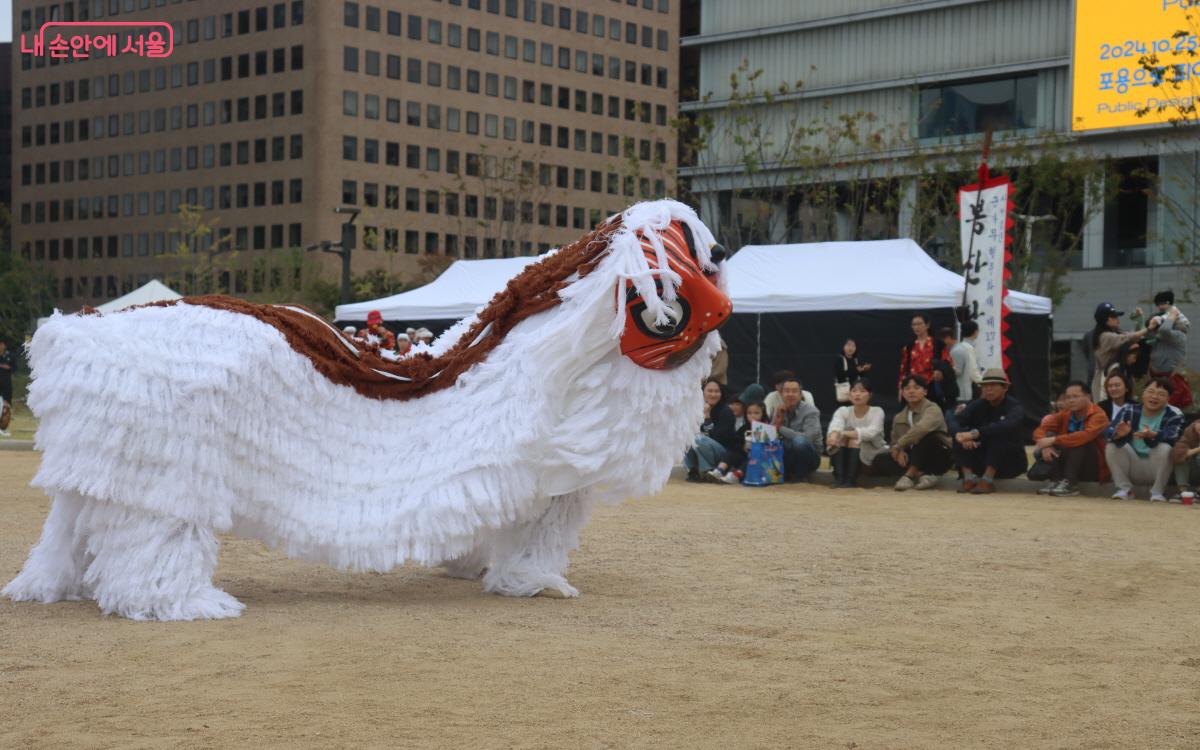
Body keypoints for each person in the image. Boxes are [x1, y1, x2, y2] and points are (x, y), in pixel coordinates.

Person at [1103, 377, 1183, 501]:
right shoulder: (1129, 409)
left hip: (1156, 467)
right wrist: (1119, 434)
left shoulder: (1174, 413)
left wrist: (1154, 435)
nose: (1154, 397)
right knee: (1112, 446)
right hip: (1132, 465)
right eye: (1150, 392)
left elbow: (1172, 436)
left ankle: (1157, 493)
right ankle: (1125, 490)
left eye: (1161, 394)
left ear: (1168, 399)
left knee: (1165, 448)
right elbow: (1108, 432)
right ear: (1143, 394)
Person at [952, 368, 1028, 495]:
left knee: (999, 435)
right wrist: (962, 435)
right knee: (958, 437)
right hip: (982, 458)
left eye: (993, 385)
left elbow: (1007, 425)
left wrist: (975, 433)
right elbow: (955, 419)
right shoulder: (978, 405)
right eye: (985, 386)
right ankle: (969, 478)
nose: (988, 389)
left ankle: (987, 481)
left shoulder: (1014, 407)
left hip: (1009, 462)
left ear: (1005, 388)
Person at [870, 374, 952, 491]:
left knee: (926, 437)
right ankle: (922, 475)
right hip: (913, 455)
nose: (911, 391)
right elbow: (894, 442)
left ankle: (908, 476)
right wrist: (898, 451)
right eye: (907, 388)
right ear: (902, 393)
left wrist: (899, 445)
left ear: (925, 392)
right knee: (880, 459)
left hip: (937, 455)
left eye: (916, 388)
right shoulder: (899, 417)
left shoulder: (932, 409)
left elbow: (921, 429)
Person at [1029, 381, 1109, 497]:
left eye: (1075, 396)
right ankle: (1056, 481)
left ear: (1088, 397)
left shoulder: (1098, 415)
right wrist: (1046, 445)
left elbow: (1085, 435)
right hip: (1070, 463)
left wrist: (1053, 440)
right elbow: (1040, 430)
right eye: (1068, 397)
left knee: (1078, 440)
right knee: (1049, 435)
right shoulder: (1066, 413)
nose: (1071, 400)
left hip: (1093, 467)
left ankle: (1070, 484)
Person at [1133, 290, 1192, 409]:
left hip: (1172, 381)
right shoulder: (1159, 336)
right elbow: (1143, 335)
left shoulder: (1179, 335)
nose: (1160, 307)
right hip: (1155, 379)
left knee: (1169, 412)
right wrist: (1141, 319)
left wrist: (1171, 316)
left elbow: (1164, 331)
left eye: (1162, 304)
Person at [826, 379, 885, 489]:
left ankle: (851, 480)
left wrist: (844, 433)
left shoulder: (877, 411)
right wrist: (833, 437)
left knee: (853, 440)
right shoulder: (843, 410)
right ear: (849, 395)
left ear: (870, 395)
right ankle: (839, 479)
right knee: (839, 439)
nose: (857, 394)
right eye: (854, 391)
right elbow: (836, 425)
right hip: (848, 445)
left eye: (862, 391)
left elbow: (870, 433)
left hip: (872, 448)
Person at [1090, 302, 1155, 401]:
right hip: (1106, 378)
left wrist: (1140, 320)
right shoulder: (1105, 336)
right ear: (1105, 319)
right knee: (1107, 410)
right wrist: (1149, 328)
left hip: (1120, 375)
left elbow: (1134, 337)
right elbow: (1130, 337)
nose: (1117, 319)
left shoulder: (1115, 332)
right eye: (1113, 316)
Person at [684, 379, 739, 481]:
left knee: (698, 439)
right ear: (702, 393)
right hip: (703, 447)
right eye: (710, 391)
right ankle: (693, 471)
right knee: (686, 438)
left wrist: (707, 417)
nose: (713, 394)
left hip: (723, 455)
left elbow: (717, 438)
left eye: (717, 391)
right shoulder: (696, 409)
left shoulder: (726, 412)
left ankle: (707, 471)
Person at [771, 377, 822, 482]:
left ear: (800, 394)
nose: (790, 394)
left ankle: (801, 476)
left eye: (794, 391)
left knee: (799, 442)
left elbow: (808, 438)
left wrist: (780, 428)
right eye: (787, 391)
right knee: (774, 442)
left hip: (810, 457)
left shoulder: (811, 411)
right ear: (781, 394)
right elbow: (770, 434)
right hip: (789, 456)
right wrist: (778, 421)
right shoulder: (778, 409)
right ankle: (785, 474)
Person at [707, 401, 768, 484]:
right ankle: (719, 470)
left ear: (763, 414)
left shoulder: (767, 429)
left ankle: (736, 475)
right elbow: (735, 442)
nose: (752, 416)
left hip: (760, 460)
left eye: (756, 413)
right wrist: (742, 447)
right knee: (730, 454)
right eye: (749, 413)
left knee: (752, 460)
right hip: (744, 455)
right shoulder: (744, 428)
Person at [897, 313, 952, 401]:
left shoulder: (937, 344)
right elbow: (903, 370)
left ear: (927, 325)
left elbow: (948, 361)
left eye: (919, 324)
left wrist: (940, 371)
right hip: (913, 386)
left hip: (932, 385)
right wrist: (901, 389)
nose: (916, 327)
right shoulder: (909, 346)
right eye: (914, 325)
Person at [950, 321, 983, 404]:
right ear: (975, 332)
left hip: (963, 390)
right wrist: (984, 384)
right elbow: (972, 371)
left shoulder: (959, 347)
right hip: (964, 392)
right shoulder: (966, 348)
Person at [833, 339, 871, 405]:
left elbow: (861, 376)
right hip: (845, 392)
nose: (850, 348)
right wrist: (856, 370)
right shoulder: (840, 359)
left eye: (853, 346)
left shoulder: (856, 360)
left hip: (856, 391)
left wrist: (863, 369)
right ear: (843, 347)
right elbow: (840, 375)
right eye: (848, 345)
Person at [0, 339, 12, 438]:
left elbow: (14, 367)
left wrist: (8, 367)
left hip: (6, 384)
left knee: (6, 407)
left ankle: (2, 428)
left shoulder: (9, 355)